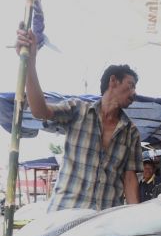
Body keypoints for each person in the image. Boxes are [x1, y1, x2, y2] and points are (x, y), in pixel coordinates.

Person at [16, 25, 142, 211]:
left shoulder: (131, 132)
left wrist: (136, 219)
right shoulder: (78, 110)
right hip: (66, 212)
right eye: (130, 85)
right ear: (113, 81)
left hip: (103, 219)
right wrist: (30, 62)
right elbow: (40, 111)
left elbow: (130, 179)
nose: (134, 93)